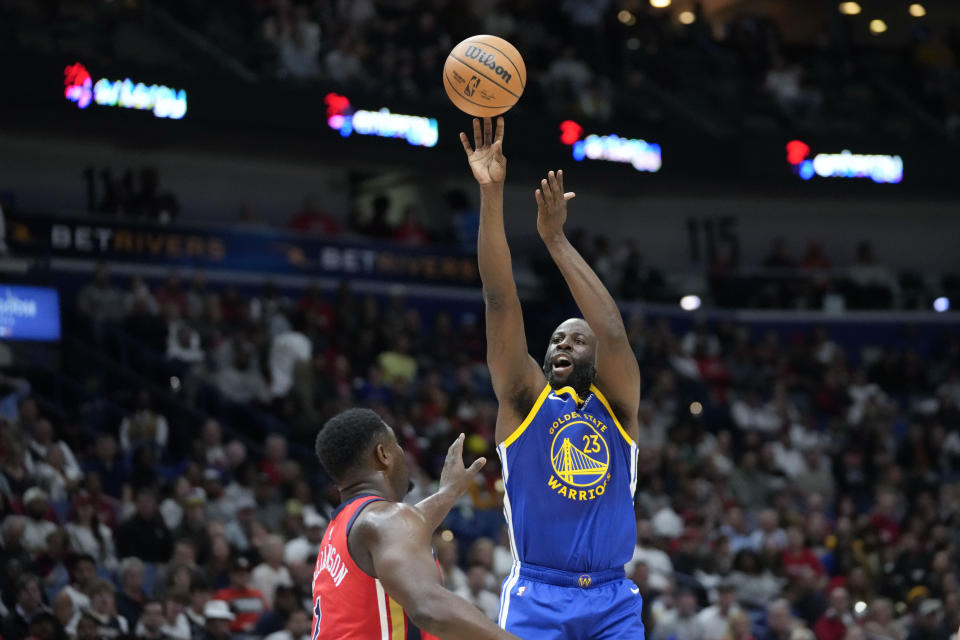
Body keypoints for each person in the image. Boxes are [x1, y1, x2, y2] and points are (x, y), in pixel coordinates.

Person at [461, 116, 643, 638]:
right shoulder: (523, 401)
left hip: (613, 597)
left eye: (574, 339)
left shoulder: (619, 409)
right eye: (557, 338)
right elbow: (499, 297)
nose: (563, 342)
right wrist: (492, 193)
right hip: (538, 595)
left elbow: (610, 330)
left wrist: (555, 240)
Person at [311, 408, 519, 639]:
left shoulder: (340, 529)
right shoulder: (386, 520)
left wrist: (448, 493)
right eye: (396, 444)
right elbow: (429, 608)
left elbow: (409, 524)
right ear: (383, 454)